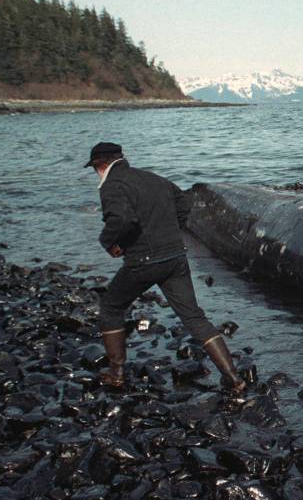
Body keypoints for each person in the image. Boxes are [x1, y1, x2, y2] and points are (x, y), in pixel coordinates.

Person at [84, 141, 246, 393]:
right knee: (194, 317)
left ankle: (116, 373)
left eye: (94, 169)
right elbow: (183, 204)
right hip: (176, 258)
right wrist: (171, 232)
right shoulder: (154, 178)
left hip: (144, 261)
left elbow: (123, 220)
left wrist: (110, 243)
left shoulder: (112, 185)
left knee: (111, 307)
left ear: (99, 165)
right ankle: (233, 378)